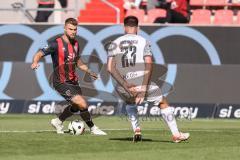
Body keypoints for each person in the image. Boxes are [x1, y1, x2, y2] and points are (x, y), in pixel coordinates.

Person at [107, 16, 190, 142]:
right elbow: (149, 65)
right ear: (137, 27)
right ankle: (176, 134)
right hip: (141, 81)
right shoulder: (143, 41)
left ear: (124, 27)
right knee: (163, 102)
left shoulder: (114, 43)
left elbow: (110, 68)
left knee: (130, 102)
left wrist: (124, 85)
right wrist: (143, 89)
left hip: (124, 85)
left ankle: (136, 129)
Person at [31, 18, 107, 135]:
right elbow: (40, 53)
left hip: (73, 81)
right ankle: (93, 128)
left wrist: (89, 71)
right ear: (65, 29)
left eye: (75, 29)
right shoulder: (55, 43)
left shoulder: (76, 44)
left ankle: (58, 121)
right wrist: (35, 62)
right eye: (70, 29)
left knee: (76, 106)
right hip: (60, 81)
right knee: (82, 103)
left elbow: (78, 62)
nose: (73, 32)